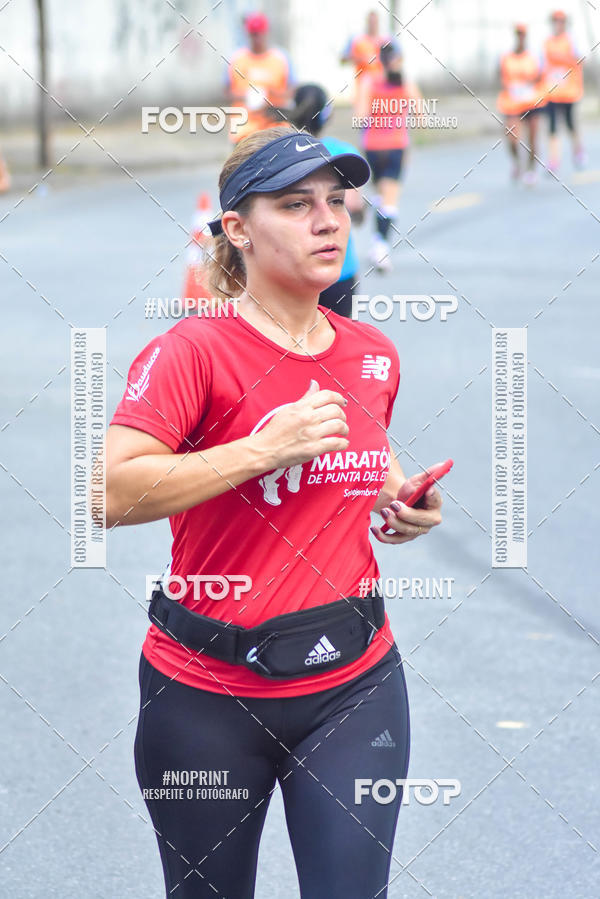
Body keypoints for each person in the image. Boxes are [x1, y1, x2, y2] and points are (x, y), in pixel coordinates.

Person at [105, 126, 443, 898]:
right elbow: (113, 493)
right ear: (237, 229)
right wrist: (263, 450)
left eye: (335, 202)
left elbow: (363, 461)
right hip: (205, 694)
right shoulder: (192, 350)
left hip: (354, 684)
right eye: (295, 204)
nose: (328, 220)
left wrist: (400, 499)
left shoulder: (372, 353)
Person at [290, 82, 366, 317]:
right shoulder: (343, 151)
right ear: (327, 115)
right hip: (338, 270)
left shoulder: (280, 154)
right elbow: (353, 205)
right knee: (339, 345)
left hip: (293, 270)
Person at [357, 41, 421, 272]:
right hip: (395, 145)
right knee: (390, 198)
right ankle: (380, 247)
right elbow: (420, 114)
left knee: (381, 194)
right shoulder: (405, 82)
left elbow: (361, 115)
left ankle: (377, 237)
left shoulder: (368, 81)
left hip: (373, 146)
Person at [225, 12, 295, 144]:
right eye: (253, 34)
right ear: (248, 34)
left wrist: (270, 94)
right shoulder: (237, 59)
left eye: (259, 33)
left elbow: (292, 92)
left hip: (276, 131)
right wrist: (246, 96)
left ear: (266, 33)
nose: (256, 38)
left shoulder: (281, 58)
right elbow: (226, 92)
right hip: (244, 131)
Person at [497, 24, 548, 185]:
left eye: (523, 35)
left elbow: (541, 76)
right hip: (512, 103)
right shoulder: (506, 57)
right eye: (518, 34)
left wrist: (530, 83)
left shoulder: (534, 57)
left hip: (531, 102)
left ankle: (531, 170)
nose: (520, 37)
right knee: (511, 138)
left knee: (533, 138)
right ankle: (517, 162)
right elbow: (499, 76)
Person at [543, 9, 586, 173]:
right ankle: (553, 160)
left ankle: (578, 152)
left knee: (570, 124)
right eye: (555, 21)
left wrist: (567, 61)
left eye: (560, 22)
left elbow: (581, 60)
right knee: (552, 127)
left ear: (564, 24)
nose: (557, 25)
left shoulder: (572, 41)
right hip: (552, 92)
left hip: (569, 92)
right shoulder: (546, 43)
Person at [341, 10, 390, 112]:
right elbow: (343, 59)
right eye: (370, 22)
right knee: (364, 123)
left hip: (383, 91)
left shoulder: (386, 40)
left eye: (375, 22)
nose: (373, 24)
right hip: (362, 91)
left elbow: (398, 58)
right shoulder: (357, 40)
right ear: (367, 22)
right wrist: (360, 58)